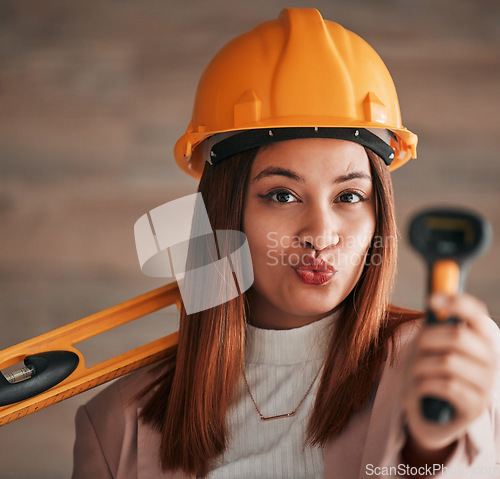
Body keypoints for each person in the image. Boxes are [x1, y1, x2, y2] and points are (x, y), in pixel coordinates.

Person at [71, 8, 500, 479]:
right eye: (282, 195)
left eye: (350, 196)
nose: (320, 234)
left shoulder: (445, 363)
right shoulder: (115, 425)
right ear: (223, 212)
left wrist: (431, 446)